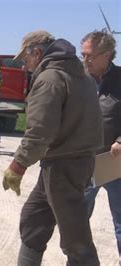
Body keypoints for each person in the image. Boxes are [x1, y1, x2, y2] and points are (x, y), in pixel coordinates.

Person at [2, 30, 103, 265]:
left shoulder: (50, 79)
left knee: (75, 240)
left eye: (26, 60)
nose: (25, 66)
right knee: (34, 218)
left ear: (36, 52)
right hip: (69, 162)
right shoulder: (81, 75)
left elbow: (39, 133)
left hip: (64, 166)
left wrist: (18, 165)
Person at [81, 30, 121, 259]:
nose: (85, 60)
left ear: (106, 55)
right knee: (77, 220)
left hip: (115, 164)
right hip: (86, 163)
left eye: (89, 56)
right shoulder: (81, 80)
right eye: (83, 55)